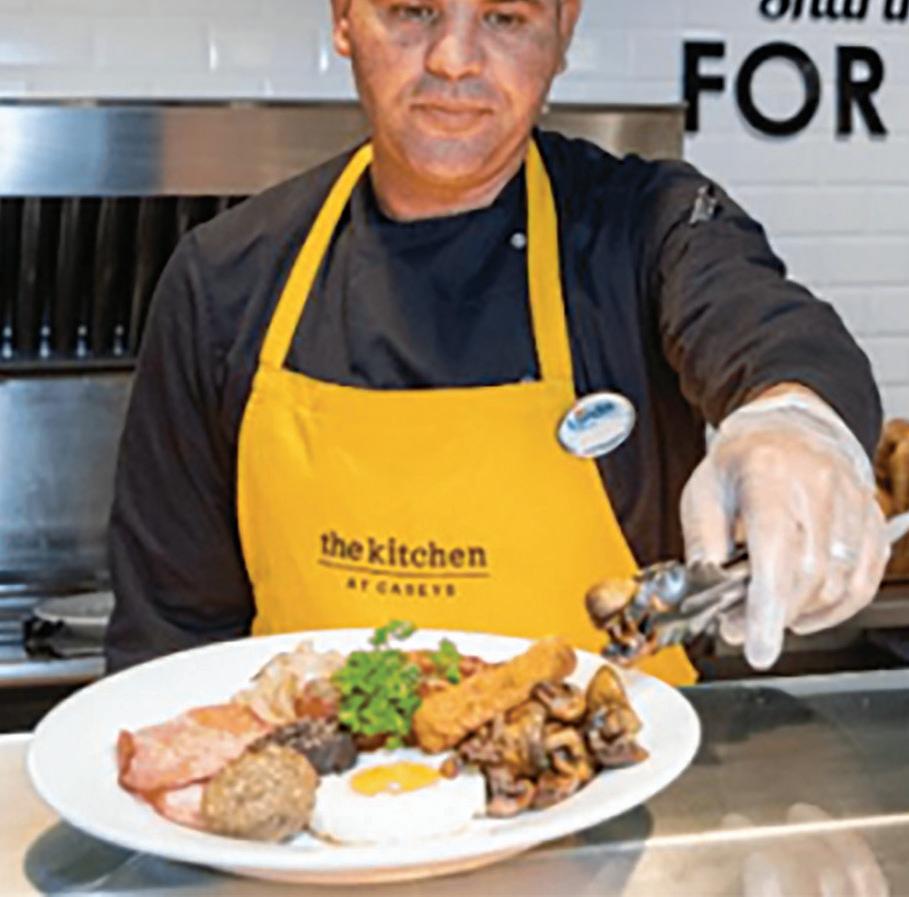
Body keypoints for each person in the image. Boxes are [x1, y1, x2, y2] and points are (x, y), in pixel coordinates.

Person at [104, 0, 888, 684]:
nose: (453, 59)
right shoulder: (226, 276)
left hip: (625, 790)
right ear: (344, 18)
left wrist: (794, 422)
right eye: (413, 11)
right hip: (314, 799)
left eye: (505, 17)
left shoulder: (643, 227)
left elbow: (768, 325)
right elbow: (172, 632)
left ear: (562, 29)